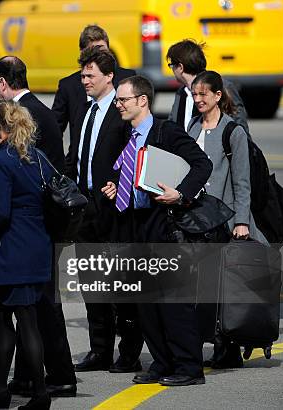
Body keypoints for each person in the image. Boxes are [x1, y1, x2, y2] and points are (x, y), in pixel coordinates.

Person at [102, 75, 213, 386]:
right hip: (135, 225)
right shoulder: (127, 134)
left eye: (123, 100)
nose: (118, 105)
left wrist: (181, 193)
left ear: (142, 101)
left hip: (162, 225)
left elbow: (202, 165)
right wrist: (115, 186)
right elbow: (126, 172)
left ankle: (189, 367)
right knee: (146, 303)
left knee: (172, 301)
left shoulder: (166, 131)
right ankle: (162, 362)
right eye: (117, 100)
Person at [0, 56, 77, 397]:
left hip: (33, 229)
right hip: (39, 228)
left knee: (42, 311)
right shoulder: (37, 109)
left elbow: (19, 174)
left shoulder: (29, 115)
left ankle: (56, 376)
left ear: (1, 83)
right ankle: (29, 378)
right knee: (31, 311)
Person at [0, 97, 52, 410]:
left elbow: (1, 212)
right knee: (2, 313)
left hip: (14, 247)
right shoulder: (35, 156)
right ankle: (2, 388)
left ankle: (39, 393)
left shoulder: (3, 160)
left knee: (24, 318)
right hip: (35, 242)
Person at [67, 46, 143, 373]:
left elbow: (134, 152)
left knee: (119, 286)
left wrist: (116, 181)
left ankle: (128, 353)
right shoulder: (87, 111)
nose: (84, 80)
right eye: (83, 75)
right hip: (85, 210)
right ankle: (100, 350)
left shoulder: (120, 111)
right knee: (92, 284)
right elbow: (78, 156)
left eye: (90, 75)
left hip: (113, 211)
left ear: (109, 77)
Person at [187, 70, 268, 368]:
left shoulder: (232, 131)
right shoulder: (193, 126)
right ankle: (205, 340)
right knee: (202, 286)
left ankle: (227, 346)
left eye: (203, 95)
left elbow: (242, 181)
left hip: (227, 221)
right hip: (199, 220)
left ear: (218, 96)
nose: (197, 100)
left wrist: (242, 221)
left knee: (225, 289)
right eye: (194, 95)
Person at [52, 24, 136, 145]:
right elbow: (55, 130)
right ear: (83, 53)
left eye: (103, 51)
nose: (101, 57)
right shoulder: (68, 86)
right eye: (94, 52)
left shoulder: (127, 78)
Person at [166, 39, 248, 133]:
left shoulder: (221, 86)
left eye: (171, 65)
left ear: (180, 67)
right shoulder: (181, 93)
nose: (172, 70)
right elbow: (172, 125)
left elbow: (240, 127)